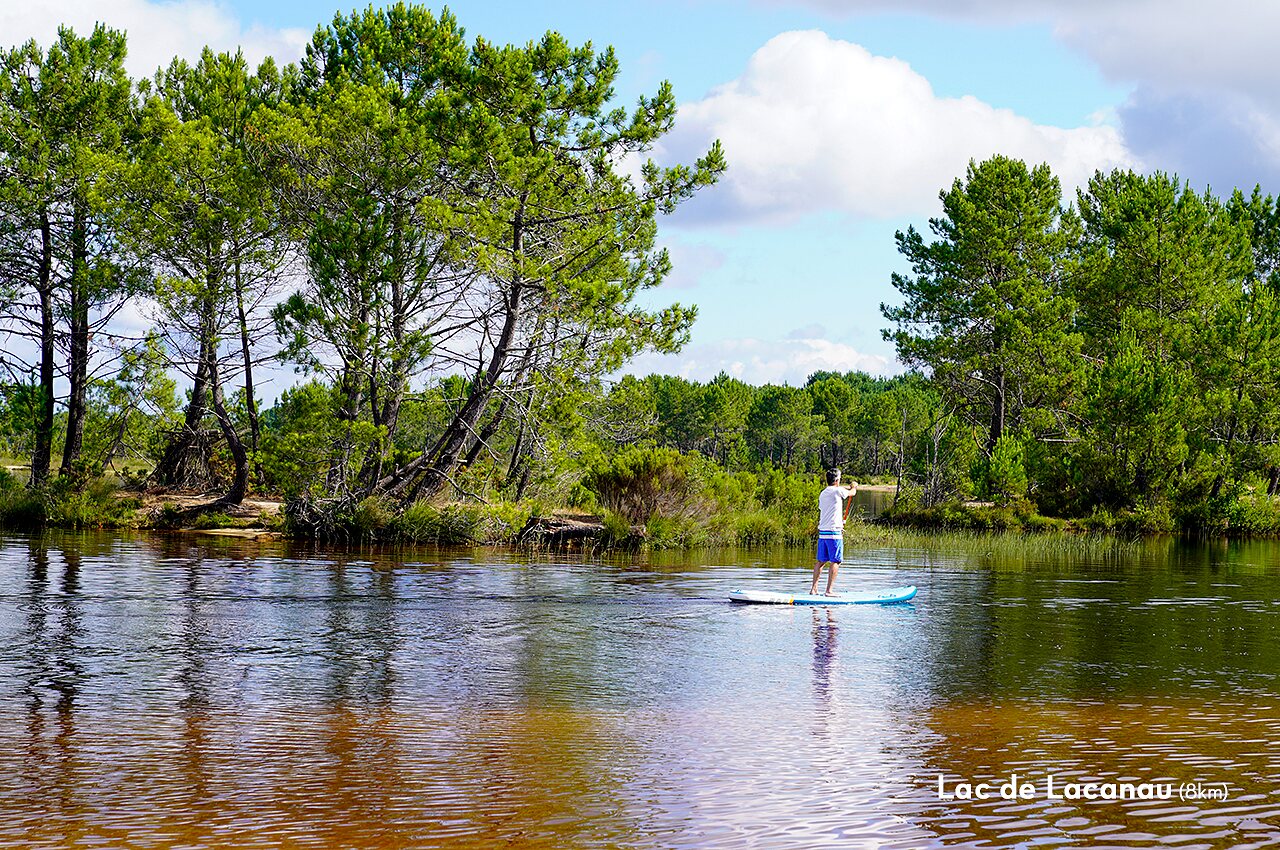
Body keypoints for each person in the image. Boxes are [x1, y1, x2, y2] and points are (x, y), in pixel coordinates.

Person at [811, 468, 857, 596]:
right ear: (837, 480)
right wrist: (854, 486)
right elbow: (852, 492)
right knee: (835, 561)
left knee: (820, 561)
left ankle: (813, 589)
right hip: (834, 533)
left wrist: (839, 522)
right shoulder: (838, 491)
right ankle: (829, 591)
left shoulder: (823, 493)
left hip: (823, 532)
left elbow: (829, 510)